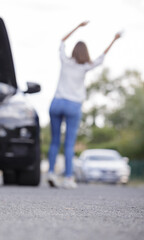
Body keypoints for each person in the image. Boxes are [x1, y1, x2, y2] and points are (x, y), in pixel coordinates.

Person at [47, 21, 121, 189]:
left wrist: (77, 27)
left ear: (74, 51)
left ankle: (51, 172)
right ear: (85, 53)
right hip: (73, 105)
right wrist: (114, 39)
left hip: (57, 103)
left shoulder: (65, 61)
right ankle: (68, 178)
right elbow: (102, 57)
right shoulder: (85, 66)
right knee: (69, 144)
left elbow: (61, 41)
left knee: (54, 141)